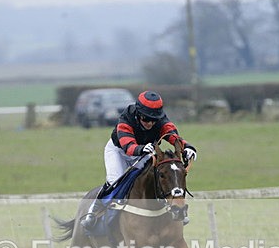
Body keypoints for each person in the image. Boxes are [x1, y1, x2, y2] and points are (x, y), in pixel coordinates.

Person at [80, 90, 197, 229]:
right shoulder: (126, 118)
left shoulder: (160, 120)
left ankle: (175, 209)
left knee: (155, 176)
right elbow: (128, 146)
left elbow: (172, 136)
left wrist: (188, 148)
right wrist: (141, 149)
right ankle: (93, 212)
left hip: (144, 151)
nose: (150, 123)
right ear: (138, 114)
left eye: (154, 120)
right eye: (146, 119)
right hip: (119, 151)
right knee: (115, 180)